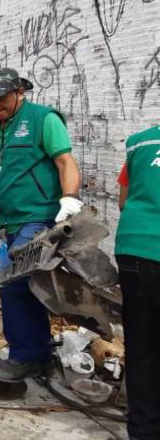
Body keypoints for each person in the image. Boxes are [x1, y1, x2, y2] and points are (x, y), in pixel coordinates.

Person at [0, 68, 82, 382]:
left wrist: (70, 197)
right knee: (30, 287)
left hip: (37, 215)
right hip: (8, 218)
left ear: (19, 91)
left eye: (1, 99)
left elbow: (65, 161)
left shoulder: (43, 119)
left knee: (13, 282)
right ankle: (39, 353)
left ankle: (22, 355)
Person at [115, 126, 160, 439]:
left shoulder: (140, 141)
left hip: (134, 247)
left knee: (142, 345)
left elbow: (123, 200)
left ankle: (143, 431)